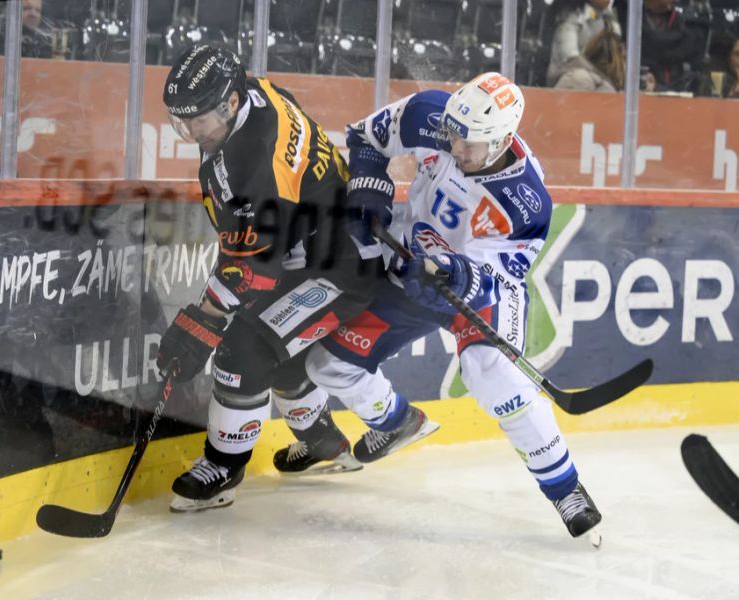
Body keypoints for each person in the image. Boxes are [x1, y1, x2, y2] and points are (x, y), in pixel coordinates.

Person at [300, 73, 602, 540]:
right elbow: (365, 136)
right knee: (327, 364)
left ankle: (565, 489)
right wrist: (369, 188)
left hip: (474, 291)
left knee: (494, 376)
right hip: (409, 268)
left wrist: (452, 273)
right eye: (453, 135)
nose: (456, 148)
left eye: (470, 144)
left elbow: (495, 278)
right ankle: (395, 422)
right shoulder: (432, 115)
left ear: (501, 140)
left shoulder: (526, 203)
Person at [158, 45, 437, 512]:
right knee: (283, 356)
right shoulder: (255, 95)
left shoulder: (259, 157)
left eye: (197, 120)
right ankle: (325, 444)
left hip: (337, 268)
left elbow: (253, 266)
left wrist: (201, 324)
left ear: (229, 103)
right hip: (316, 250)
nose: (189, 133)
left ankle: (223, 468)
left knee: (243, 350)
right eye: (180, 121)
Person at [546, 0, 622, 87]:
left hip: (597, 79)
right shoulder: (570, 15)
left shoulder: (609, 19)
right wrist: (602, 76)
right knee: (582, 79)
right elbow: (571, 60)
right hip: (565, 77)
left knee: (608, 89)